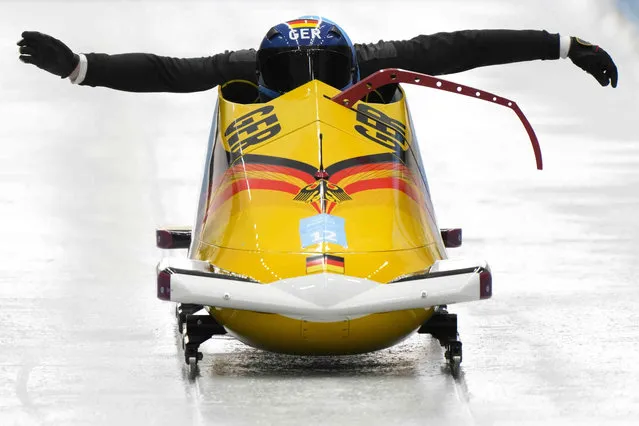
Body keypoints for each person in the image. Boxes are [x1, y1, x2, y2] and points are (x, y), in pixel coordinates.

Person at [17, 15, 618, 103]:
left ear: (350, 68)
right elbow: (169, 72)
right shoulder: (244, 68)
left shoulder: (379, 61)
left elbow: (463, 49)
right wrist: (79, 66)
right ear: (264, 71)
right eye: (289, 76)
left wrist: (565, 46)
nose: (310, 88)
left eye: (326, 75)